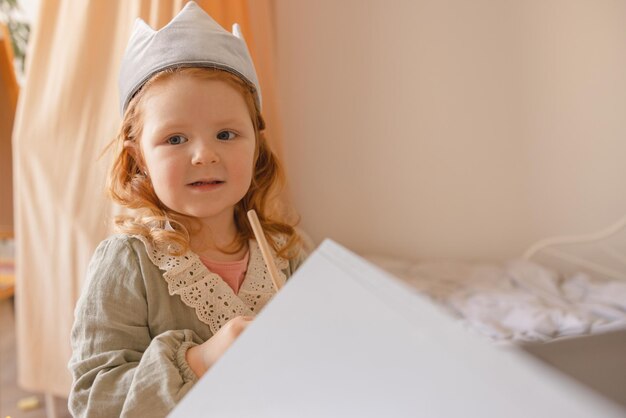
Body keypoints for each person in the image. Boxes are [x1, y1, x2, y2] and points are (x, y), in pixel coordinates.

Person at [68, 2, 307, 416]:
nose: (203, 155)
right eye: (175, 139)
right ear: (138, 156)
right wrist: (199, 362)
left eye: (226, 133)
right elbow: (93, 399)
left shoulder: (287, 251)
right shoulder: (127, 263)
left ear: (256, 145)